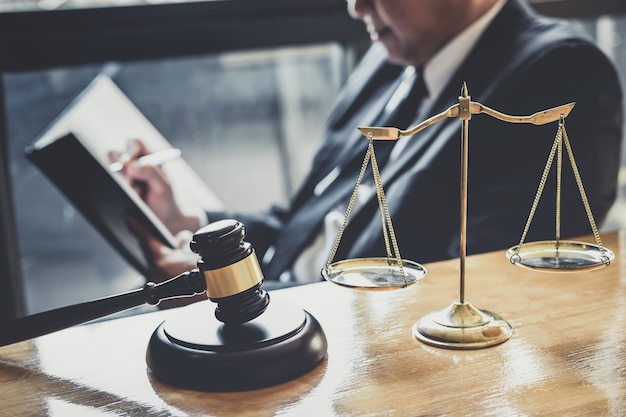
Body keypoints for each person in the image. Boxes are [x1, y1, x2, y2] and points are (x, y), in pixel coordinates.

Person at [120, 0, 623, 290]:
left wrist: (237, 291)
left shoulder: (559, 75)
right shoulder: (391, 60)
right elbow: (311, 220)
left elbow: (480, 292)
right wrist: (190, 221)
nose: (356, 7)